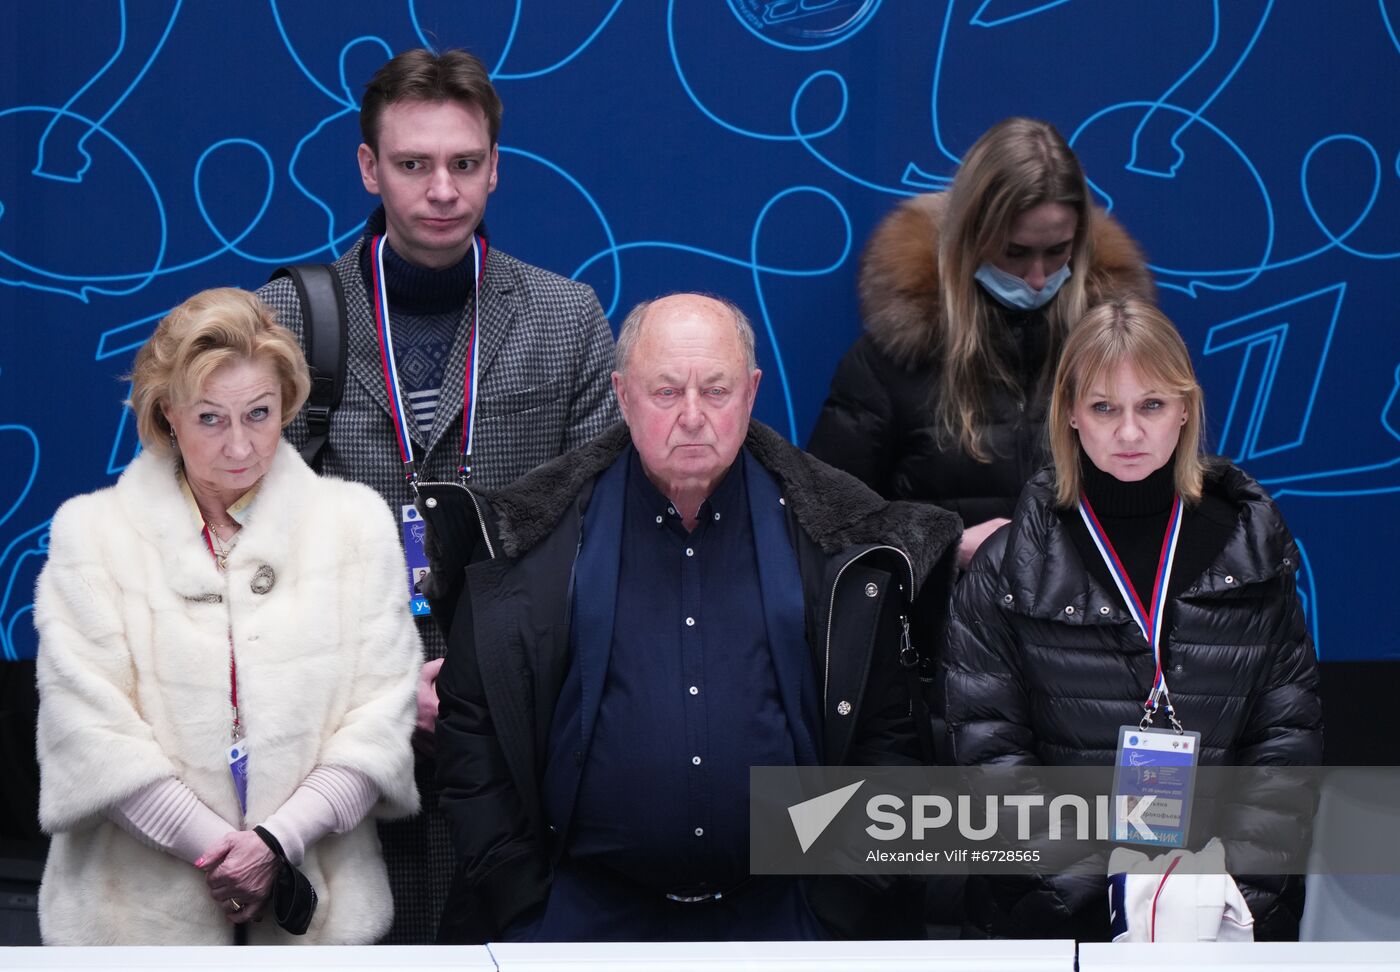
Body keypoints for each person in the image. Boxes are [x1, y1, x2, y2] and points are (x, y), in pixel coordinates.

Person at [431, 293, 961, 943]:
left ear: (752, 392)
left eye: (716, 390)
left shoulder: (841, 546)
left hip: (787, 917)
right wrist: (521, 902)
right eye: (664, 392)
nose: (692, 416)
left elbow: (890, 734)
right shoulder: (530, 545)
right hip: (581, 917)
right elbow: (475, 735)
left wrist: (839, 905)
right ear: (622, 396)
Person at [256, 47, 619, 942]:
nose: (443, 189)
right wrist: (382, 689)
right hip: (329, 740)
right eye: (414, 165)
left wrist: (487, 681)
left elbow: (597, 537)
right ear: (369, 168)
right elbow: (243, 551)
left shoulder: (565, 319)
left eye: (464, 163)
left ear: (495, 166)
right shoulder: (288, 319)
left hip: (514, 732)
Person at [32, 288, 421, 944]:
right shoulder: (92, 534)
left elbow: (380, 719)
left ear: (287, 405)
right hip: (132, 929)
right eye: (211, 418)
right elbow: (88, 731)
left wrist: (276, 844)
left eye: (259, 414)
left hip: (315, 925)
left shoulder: (354, 526)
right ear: (167, 414)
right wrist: (220, 852)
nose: (240, 446)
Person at [939, 296, 1322, 940]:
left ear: (1184, 412)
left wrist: (1218, 900)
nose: (1128, 433)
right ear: (1070, 414)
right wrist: (1115, 903)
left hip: (1221, 927)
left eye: (1150, 405)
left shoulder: (1251, 549)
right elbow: (989, 759)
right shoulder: (1010, 566)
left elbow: (1287, 748)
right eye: (1103, 407)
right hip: (1061, 931)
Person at [808, 116, 1153, 570]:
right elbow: (823, 523)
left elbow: (1172, 503)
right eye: (1014, 252)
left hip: (1090, 630)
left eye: (1057, 251)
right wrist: (944, 546)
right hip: (944, 630)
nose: (1037, 277)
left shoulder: (1118, 349)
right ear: (969, 238)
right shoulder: (892, 360)